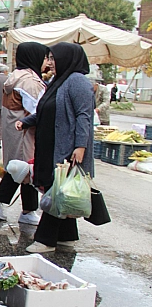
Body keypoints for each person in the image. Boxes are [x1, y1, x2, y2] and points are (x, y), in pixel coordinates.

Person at [16, 42, 95, 253]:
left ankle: (46, 240)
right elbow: (46, 110)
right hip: (50, 146)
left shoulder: (77, 81)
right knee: (61, 189)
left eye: (53, 58)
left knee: (56, 190)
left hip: (67, 148)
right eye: (48, 58)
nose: (50, 62)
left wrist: (80, 146)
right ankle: (67, 236)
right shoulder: (58, 81)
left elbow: (84, 116)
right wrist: (27, 121)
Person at [0, 42, 49, 225]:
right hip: (24, 133)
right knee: (23, 169)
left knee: (24, 170)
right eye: (44, 58)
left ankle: (27, 211)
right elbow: (38, 110)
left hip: (13, 130)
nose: (47, 62)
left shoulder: (15, 77)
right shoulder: (30, 81)